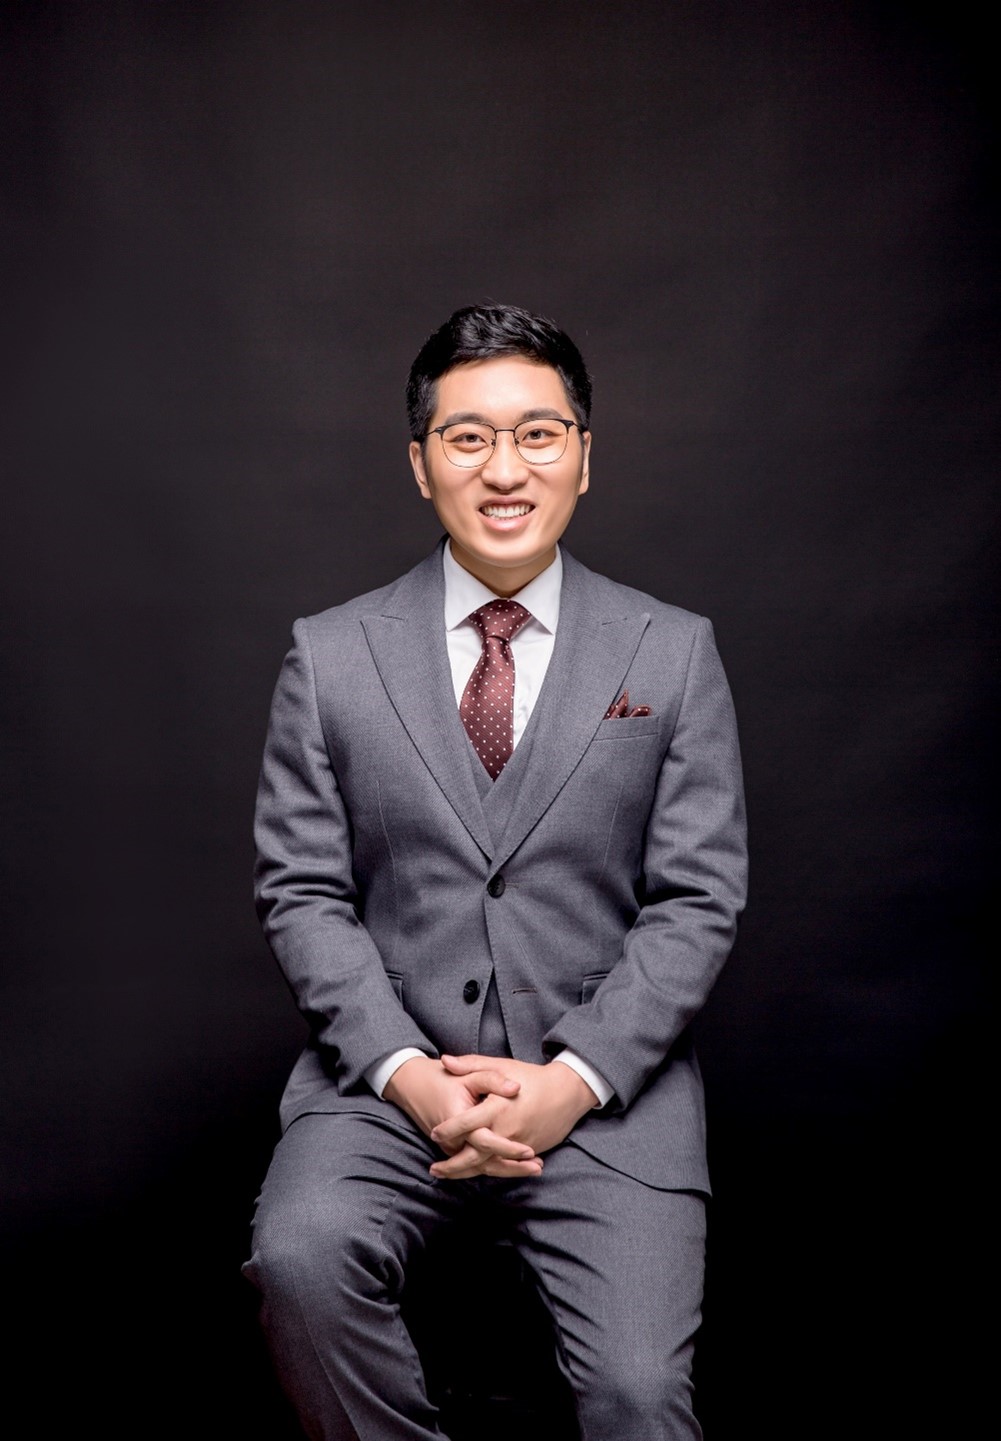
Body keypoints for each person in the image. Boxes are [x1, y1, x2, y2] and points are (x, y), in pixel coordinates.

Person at [244, 304, 747, 1440]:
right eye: (467, 437)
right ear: (420, 463)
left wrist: (572, 1079)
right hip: (383, 1082)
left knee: (636, 1391)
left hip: (611, 1095)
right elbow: (302, 891)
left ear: (583, 455)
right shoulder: (329, 654)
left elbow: (697, 898)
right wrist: (408, 1075)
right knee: (300, 1258)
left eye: (537, 433)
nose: (504, 468)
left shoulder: (670, 651)